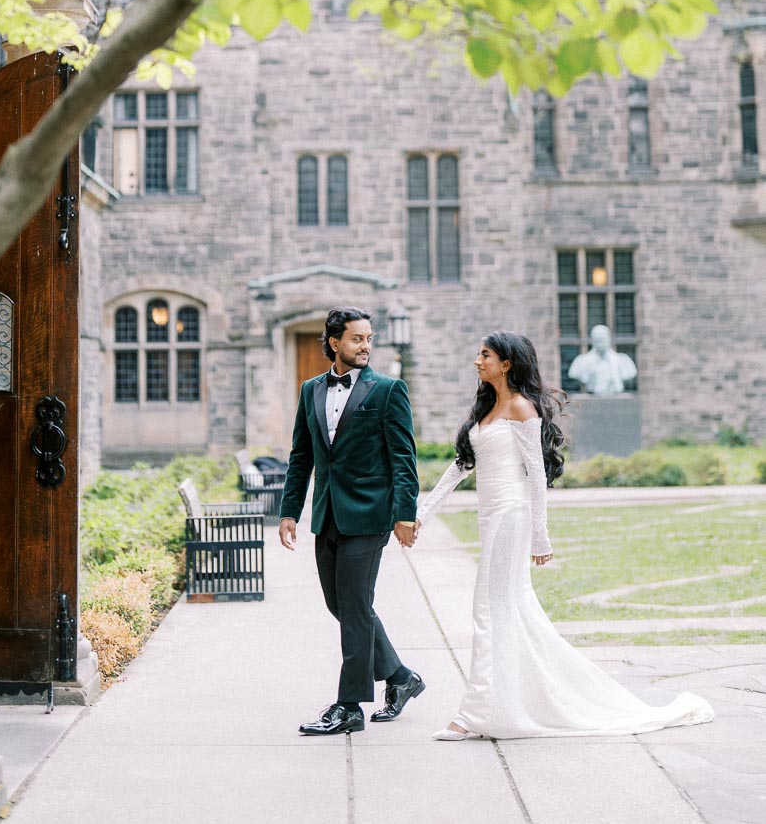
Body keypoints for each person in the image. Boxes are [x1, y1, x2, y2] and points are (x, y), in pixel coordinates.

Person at [418, 331, 714, 739]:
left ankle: (474, 713)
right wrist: (424, 513)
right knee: (509, 610)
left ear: (506, 363)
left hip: (511, 515)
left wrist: (540, 536)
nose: (476, 361)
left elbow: (537, 477)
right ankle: (515, 701)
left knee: (488, 609)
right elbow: (461, 466)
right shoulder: (487, 407)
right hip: (489, 517)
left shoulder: (521, 408)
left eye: (484, 355)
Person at [279, 306, 424, 736]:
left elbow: (404, 460)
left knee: (356, 608)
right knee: (340, 604)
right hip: (327, 514)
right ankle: (400, 677)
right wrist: (290, 510)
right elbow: (301, 455)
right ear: (334, 342)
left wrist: (405, 515)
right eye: (357, 339)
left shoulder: (388, 390)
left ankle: (349, 707)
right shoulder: (310, 390)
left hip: (370, 516)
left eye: (369, 339)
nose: (365, 346)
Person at [568, 324, 637, 395]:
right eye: (597, 340)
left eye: (603, 339)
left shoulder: (623, 361)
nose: (600, 344)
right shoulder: (581, 361)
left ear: (609, 339)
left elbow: (630, 374)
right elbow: (574, 374)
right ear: (592, 341)